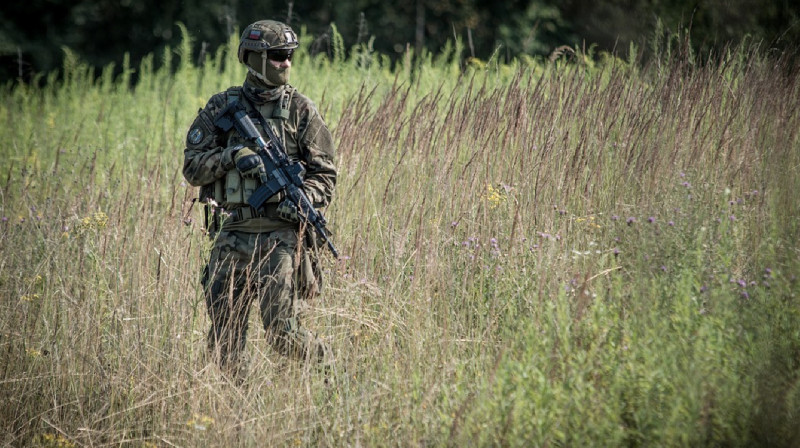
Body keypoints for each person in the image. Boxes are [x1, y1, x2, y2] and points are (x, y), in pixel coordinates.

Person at [182, 19, 337, 379]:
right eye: (279, 55)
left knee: (283, 335)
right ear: (253, 58)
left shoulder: (301, 109)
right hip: (231, 235)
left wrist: (301, 201)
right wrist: (231, 157)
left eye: (290, 56)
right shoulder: (223, 107)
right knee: (225, 341)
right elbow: (192, 168)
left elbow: (325, 174)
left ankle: (330, 370)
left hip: (280, 239)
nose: (287, 63)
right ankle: (241, 416)